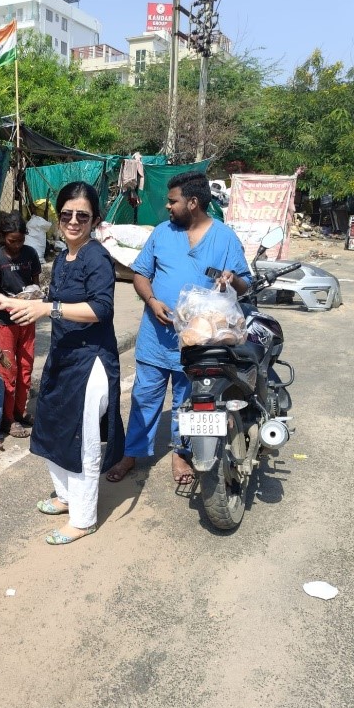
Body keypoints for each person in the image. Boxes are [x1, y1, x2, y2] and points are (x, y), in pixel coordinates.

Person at [0, 181, 124, 545]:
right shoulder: (63, 256)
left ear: (95, 220)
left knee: (82, 439)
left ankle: (84, 518)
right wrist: (12, 302)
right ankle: (65, 496)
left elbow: (101, 309)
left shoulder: (96, 257)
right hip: (64, 356)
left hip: (90, 361)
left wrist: (49, 309)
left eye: (82, 216)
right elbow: (49, 300)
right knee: (53, 427)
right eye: (66, 215)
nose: (73, 221)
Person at [105, 171, 252, 486]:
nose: (168, 206)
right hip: (155, 337)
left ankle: (180, 453)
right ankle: (132, 452)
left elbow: (245, 284)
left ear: (193, 202)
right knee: (145, 397)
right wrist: (152, 301)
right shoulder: (162, 233)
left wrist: (232, 280)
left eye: (173, 201)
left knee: (188, 401)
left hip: (199, 343)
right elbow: (141, 274)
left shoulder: (224, 238)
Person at [0, 213, 41, 439]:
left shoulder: (31, 254)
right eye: (12, 241)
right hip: (7, 323)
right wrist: (7, 302)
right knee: (9, 370)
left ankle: (20, 411)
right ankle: (7, 419)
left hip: (28, 319)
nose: (17, 245)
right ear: (3, 237)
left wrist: (32, 297)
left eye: (20, 240)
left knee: (26, 367)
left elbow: (36, 285)